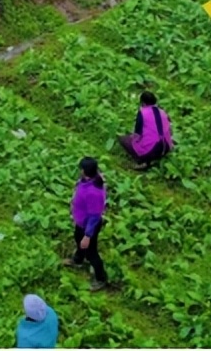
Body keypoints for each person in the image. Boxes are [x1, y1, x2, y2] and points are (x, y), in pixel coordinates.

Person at [64, 156, 108, 291]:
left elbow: (94, 216)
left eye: (81, 169)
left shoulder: (94, 193)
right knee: (78, 239)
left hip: (89, 226)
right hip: (81, 222)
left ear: (85, 171)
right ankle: (78, 259)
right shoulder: (89, 179)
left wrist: (88, 236)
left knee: (91, 252)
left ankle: (101, 278)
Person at [118, 91, 174, 170]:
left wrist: (132, 138)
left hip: (152, 150)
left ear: (143, 103)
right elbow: (170, 128)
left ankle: (144, 161)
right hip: (166, 147)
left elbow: (138, 133)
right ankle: (155, 158)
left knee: (123, 139)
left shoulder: (143, 112)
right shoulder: (162, 112)